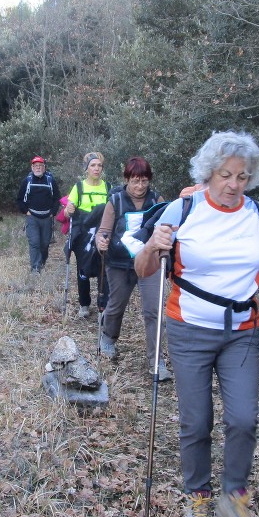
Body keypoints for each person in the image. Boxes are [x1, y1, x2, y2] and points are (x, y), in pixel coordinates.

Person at [133, 130, 259, 517]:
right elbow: (144, 269)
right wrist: (153, 244)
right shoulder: (183, 208)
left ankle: (234, 497)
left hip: (242, 331)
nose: (234, 185)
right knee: (197, 422)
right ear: (209, 173)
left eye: (243, 177)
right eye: (226, 175)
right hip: (188, 329)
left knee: (244, 419)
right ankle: (197, 496)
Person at [94, 156, 172, 381]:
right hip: (119, 262)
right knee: (116, 306)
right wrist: (101, 241)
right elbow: (104, 230)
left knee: (153, 310)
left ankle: (156, 360)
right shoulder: (115, 200)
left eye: (144, 181)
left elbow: (165, 228)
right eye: (135, 181)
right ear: (126, 179)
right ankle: (108, 337)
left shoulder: (157, 200)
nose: (140, 186)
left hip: (150, 263)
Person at [64, 151, 110, 318]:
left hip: (103, 231)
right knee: (83, 269)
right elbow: (67, 213)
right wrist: (68, 210)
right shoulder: (79, 187)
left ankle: (102, 305)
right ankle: (84, 304)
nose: (96, 168)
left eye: (99, 165)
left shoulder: (108, 187)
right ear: (86, 168)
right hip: (83, 232)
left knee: (103, 267)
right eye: (93, 165)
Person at [16, 155, 61, 273]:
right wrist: (26, 211)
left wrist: (53, 212)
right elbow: (19, 199)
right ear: (32, 167)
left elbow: (57, 198)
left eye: (40, 166)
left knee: (45, 243)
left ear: (44, 167)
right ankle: (35, 267)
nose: (38, 168)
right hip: (33, 217)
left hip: (47, 217)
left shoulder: (50, 181)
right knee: (34, 242)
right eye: (36, 166)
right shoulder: (27, 181)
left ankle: (42, 262)